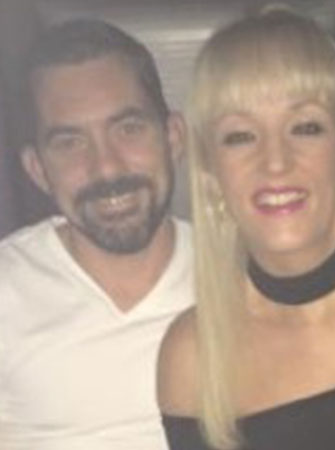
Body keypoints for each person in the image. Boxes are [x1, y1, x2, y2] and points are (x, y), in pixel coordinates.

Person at [158, 7, 335, 450]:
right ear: (210, 174)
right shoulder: (193, 360)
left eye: (305, 127)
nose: (275, 162)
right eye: (240, 136)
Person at [0, 19, 192, 449]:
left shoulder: (240, 274)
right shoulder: (6, 287)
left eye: (128, 129)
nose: (106, 167)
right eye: (70, 143)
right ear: (37, 170)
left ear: (173, 138)